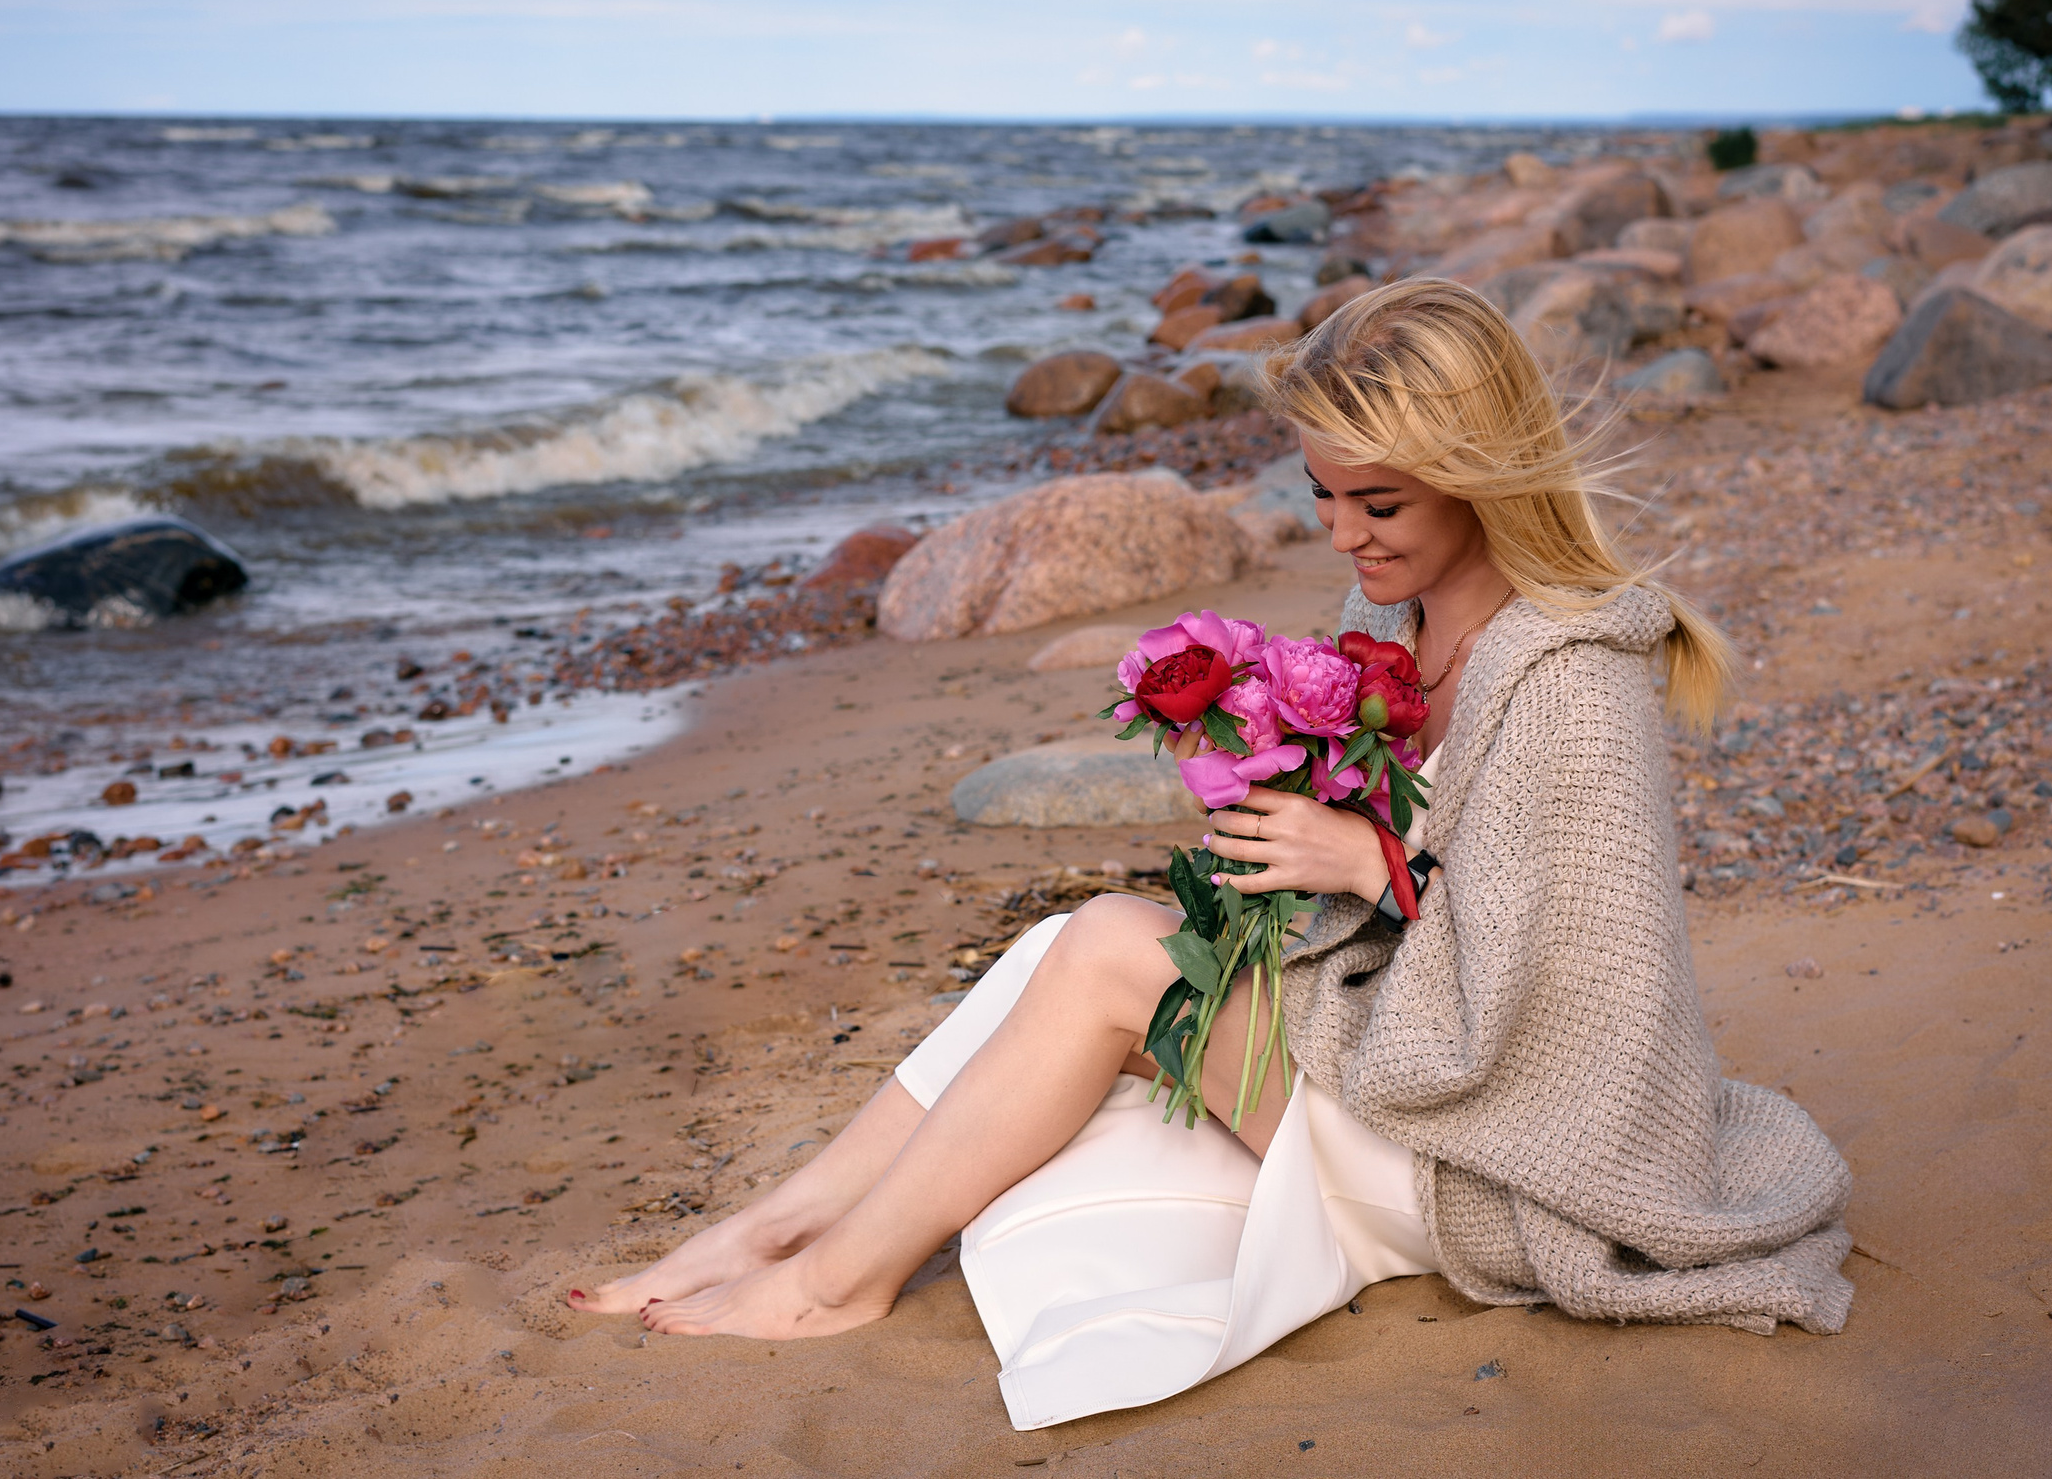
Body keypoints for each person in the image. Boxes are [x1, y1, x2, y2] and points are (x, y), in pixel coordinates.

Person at [571, 279, 1854, 1429]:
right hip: (1401, 1063)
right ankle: (782, 1224)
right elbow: (1408, 868)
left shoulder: (1573, 678)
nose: (1343, 532)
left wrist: (1367, 864)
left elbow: (1584, 999)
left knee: (1109, 949)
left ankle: (833, 1282)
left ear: (1479, 475)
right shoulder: (1389, 621)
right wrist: (1275, 800)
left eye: (1380, 502)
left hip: (1494, 1152)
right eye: (1322, 493)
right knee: (1062, 945)